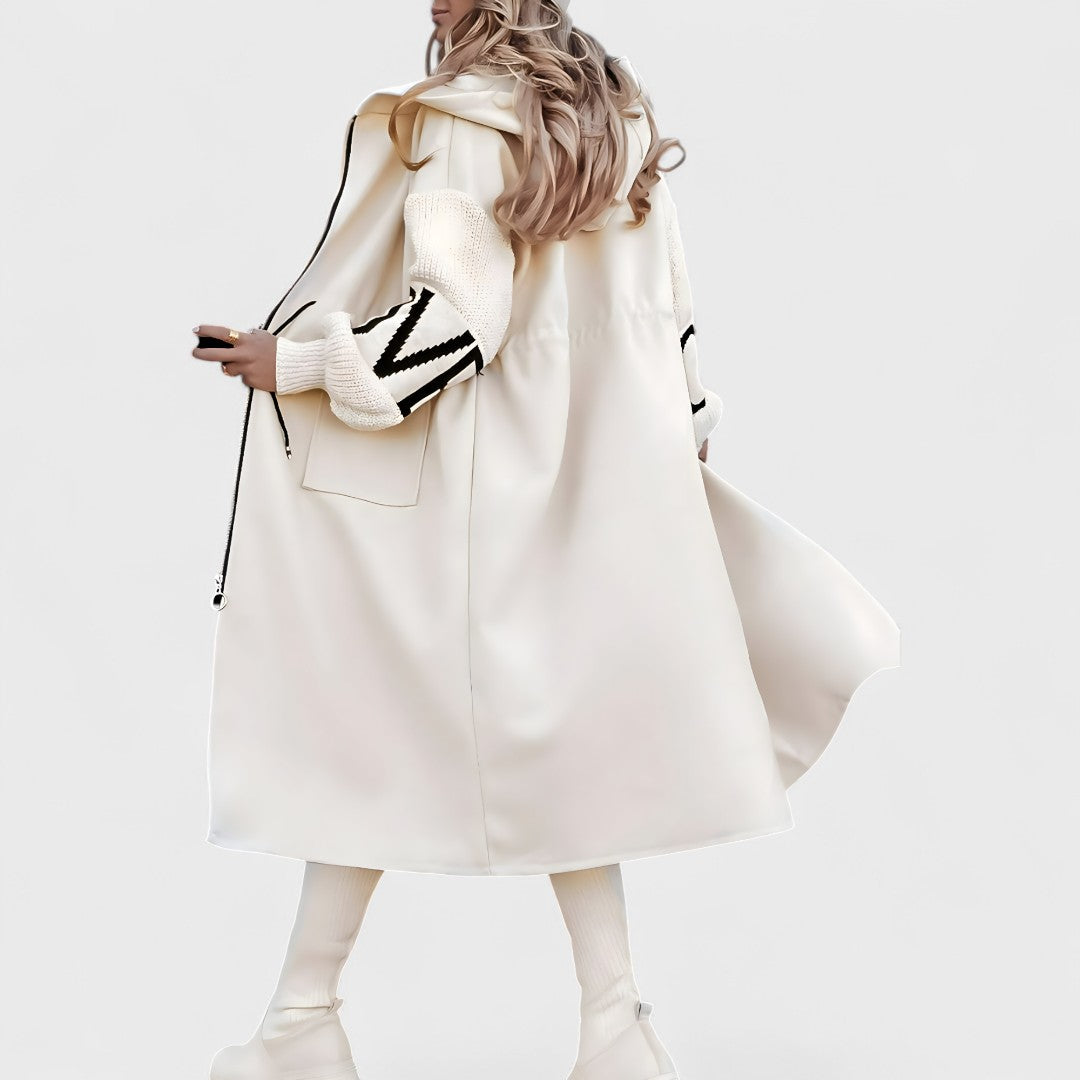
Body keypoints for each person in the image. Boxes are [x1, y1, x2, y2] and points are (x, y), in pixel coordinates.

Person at [191, 3, 901, 1079]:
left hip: (476, 486)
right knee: (567, 755)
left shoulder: (463, 121)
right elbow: (671, 313)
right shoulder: (613, 112)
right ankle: (610, 1029)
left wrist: (296, 363)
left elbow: (456, 326)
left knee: (365, 728)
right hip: (604, 475)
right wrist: (686, 429)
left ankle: (303, 1026)